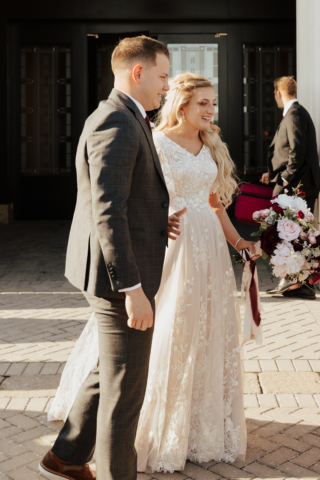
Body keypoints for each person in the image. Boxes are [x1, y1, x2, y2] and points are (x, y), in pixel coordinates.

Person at [48, 73, 261, 474]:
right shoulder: (156, 142)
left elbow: (216, 206)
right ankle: (146, 425)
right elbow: (136, 196)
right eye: (203, 103)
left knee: (203, 331)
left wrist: (240, 245)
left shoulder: (212, 144)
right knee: (165, 332)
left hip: (209, 252)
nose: (211, 110)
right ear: (181, 104)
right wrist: (163, 218)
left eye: (213, 102)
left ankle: (196, 424)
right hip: (169, 249)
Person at [39, 35, 172, 480]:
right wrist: (131, 288)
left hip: (122, 268)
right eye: (163, 75)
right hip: (120, 280)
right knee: (125, 392)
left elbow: (122, 199)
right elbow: (106, 210)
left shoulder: (125, 115)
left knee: (113, 371)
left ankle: (66, 457)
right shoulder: (116, 120)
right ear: (138, 73)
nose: (166, 86)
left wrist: (157, 220)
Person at [260, 76, 320, 299]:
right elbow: (288, 152)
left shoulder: (294, 113)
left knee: (292, 235)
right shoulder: (296, 112)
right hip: (297, 183)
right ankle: (297, 282)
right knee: (295, 235)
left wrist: (284, 179)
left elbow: (297, 150)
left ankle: (296, 283)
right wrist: (272, 173)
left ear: (277, 92)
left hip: (297, 186)